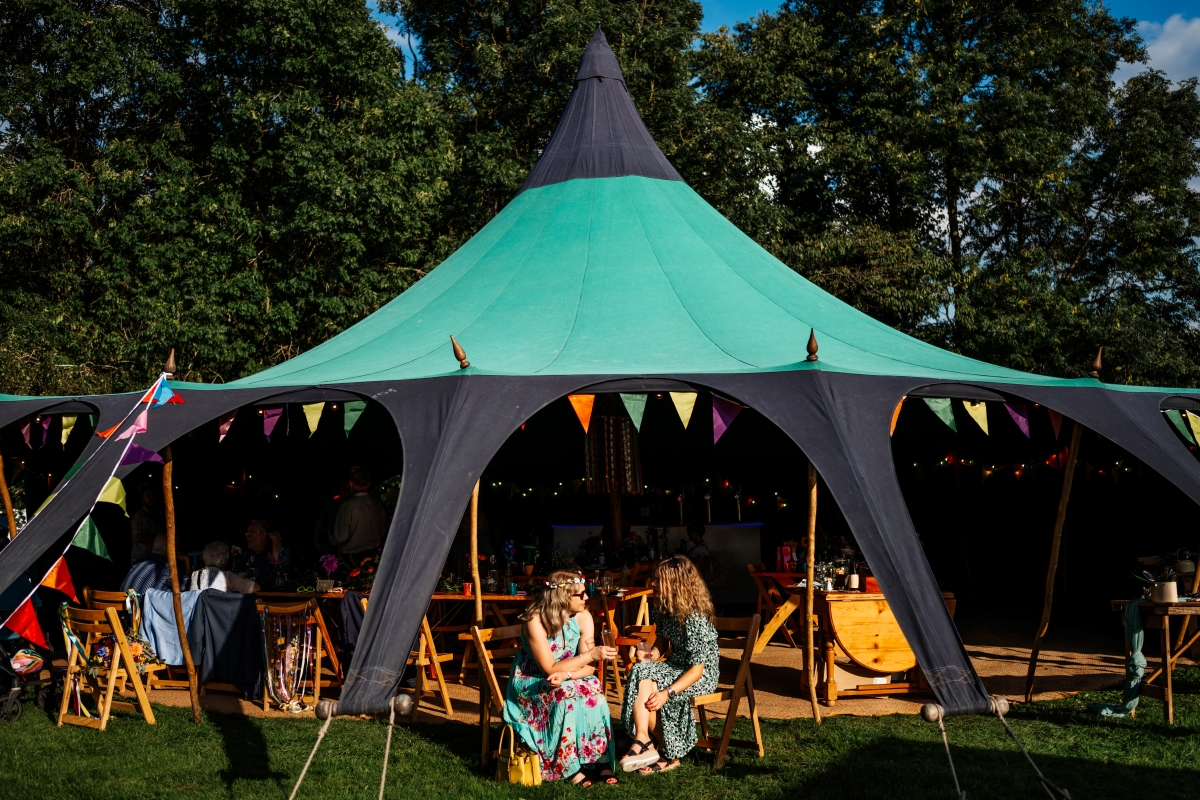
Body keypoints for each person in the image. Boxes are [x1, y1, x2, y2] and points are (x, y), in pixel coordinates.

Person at [503, 570, 618, 785]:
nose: (586, 598)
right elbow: (549, 668)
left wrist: (567, 674)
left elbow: (590, 669)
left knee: (595, 691)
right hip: (531, 680)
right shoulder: (535, 620)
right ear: (563, 596)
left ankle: (601, 760)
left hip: (564, 675)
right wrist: (588, 656)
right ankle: (568, 766)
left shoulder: (584, 616)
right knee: (565, 695)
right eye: (580, 595)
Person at [620, 556, 719, 775]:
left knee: (652, 688)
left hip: (700, 675)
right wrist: (653, 653)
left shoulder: (695, 618)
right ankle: (644, 739)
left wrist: (667, 693)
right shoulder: (665, 607)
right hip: (676, 666)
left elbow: (697, 671)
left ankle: (666, 752)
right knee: (640, 670)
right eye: (653, 578)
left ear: (676, 584)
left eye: (657, 580)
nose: (652, 584)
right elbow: (663, 639)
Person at [330, 467, 388, 556]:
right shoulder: (378, 505)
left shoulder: (347, 506)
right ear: (369, 484)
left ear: (351, 483)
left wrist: (330, 536)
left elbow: (341, 537)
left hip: (351, 555)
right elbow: (381, 532)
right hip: (373, 555)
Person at [234, 519, 289, 590]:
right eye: (247, 533)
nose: (247, 536)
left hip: (272, 596)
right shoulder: (247, 554)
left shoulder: (272, 551)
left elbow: (280, 561)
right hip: (250, 596)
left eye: (251, 532)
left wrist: (276, 539)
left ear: (263, 535)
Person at [191, 541, 260, 593]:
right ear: (224, 561)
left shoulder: (195, 575)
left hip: (200, 611)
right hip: (220, 612)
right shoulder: (226, 576)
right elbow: (255, 588)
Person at [129, 486, 165, 565]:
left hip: (157, 559)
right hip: (142, 560)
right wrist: (160, 539)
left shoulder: (159, 515)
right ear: (143, 498)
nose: (151, 498)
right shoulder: (139, 516)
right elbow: (137, 538)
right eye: (148, 495)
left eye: (154, 495)